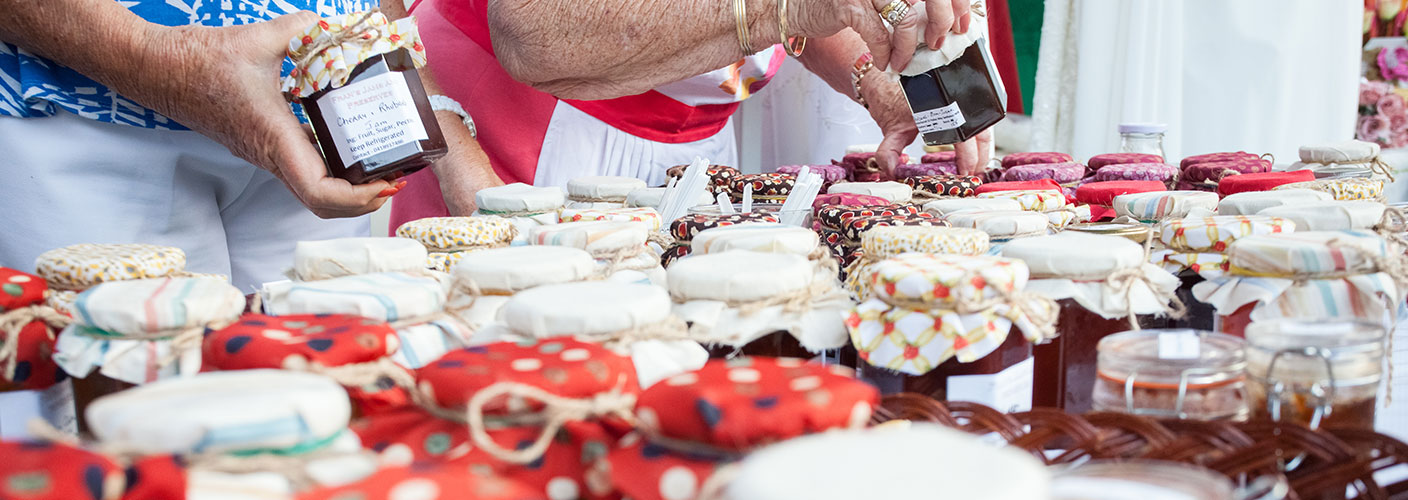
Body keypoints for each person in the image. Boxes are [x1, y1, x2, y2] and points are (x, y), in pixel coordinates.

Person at [390, 0, 996, 225]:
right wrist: (788, 10)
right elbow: (534, 33)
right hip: (531, 125)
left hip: (697, 140)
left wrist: (873, 81)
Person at [0, 0, 406, 292]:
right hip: (80, 106)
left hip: (323, 110)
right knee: (125, 388)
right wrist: (161, 59)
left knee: (324, 380)